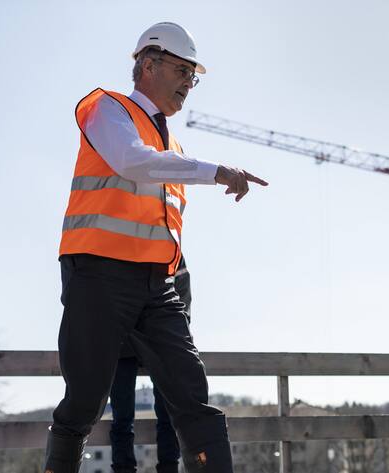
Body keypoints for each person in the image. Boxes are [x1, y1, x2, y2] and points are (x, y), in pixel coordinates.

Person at [44, 22, 267, 473]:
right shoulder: (106, 107)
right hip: (99, 277)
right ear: (148, 64)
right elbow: (130, 162)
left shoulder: (172, 144)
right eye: (182, 70)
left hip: (157, 287)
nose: (189, 83)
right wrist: (217, 171)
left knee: (191, 393)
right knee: (85, 401)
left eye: (193, 76)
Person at [109, 256, 191, 473]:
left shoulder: (170, 245)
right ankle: (124, 468)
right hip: (123, 338)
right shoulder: (119, 245)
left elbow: (182, 287)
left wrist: (178, 328)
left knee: (167, 412)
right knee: (122, 417)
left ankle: (168, 467)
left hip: (159, 337)